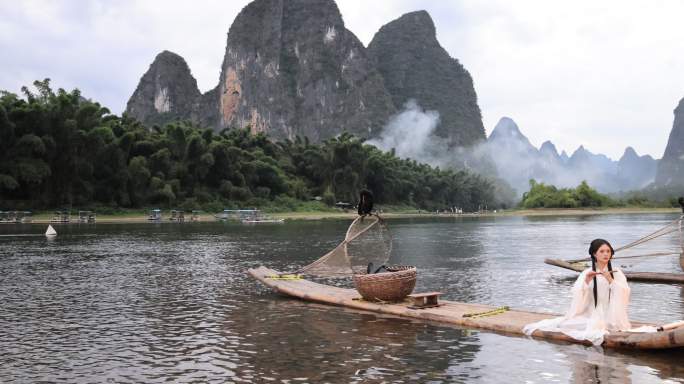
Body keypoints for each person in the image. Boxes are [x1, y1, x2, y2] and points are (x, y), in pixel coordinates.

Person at [523, 239, 636, 346]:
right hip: (590, 312)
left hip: (611, 315)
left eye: (608, 251)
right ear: (594, 254)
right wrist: (586, 281)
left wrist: (610, 280)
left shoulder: (616, 273)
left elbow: (624, 293)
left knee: (603, 326)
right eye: (601, 251)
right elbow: (577, 294)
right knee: (565, 324)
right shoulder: (587, 272)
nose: (606, 254)